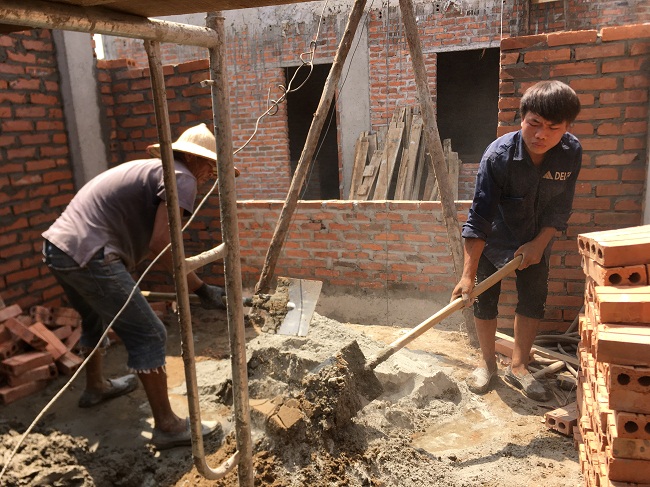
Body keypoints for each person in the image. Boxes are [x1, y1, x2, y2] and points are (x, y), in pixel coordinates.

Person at [43, 123, 236, 449]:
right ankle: (168, 426)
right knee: (150, 333)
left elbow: (149, 241)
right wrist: (202, 289)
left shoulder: (157, 170)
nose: (211, 174)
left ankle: (95, 388)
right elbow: (163, 242)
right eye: (210, 165)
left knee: (94, 320)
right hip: (91, 255)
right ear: (192, 157)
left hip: (60, 249)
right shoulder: (183, 177)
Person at [451, 80, 582, 402]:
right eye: (534, 124)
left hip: (537, 242)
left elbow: (560, 207)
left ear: (566, 128)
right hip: (492, 241)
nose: (541, 135)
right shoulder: (499, 157)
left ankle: (519, 366)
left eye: (553, 128)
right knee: (484, 299)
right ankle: (486, 363)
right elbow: (479, 217)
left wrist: (539, 244)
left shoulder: (570, 153)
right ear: (522, 118)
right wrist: (467, 275)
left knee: (533, 300)